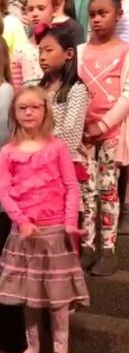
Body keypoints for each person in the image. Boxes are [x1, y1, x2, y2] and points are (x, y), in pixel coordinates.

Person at [0, 87, 89, 353]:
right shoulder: (8, 152)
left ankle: (62, 352)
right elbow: (5, 192)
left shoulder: (57, 147)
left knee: (59, 298)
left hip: (56, 231)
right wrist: (21, 220)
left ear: (45, 111)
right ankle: (33, 348)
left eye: (35, 107)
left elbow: (71, 186)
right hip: (26, 235)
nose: (29, 113)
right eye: (23, 108)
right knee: (31, 296)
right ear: (15, 113)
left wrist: (70, 221)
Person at [79, 0, 129, 273]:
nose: (97, 19)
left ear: (118, 15)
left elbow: (127, 95)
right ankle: (87, 244)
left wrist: (102, 125)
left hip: (111, 132)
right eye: (93, 14)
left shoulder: (126, 52)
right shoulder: (79, 52)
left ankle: (108, 249)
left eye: (103, 13)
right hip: (83, 135)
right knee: (86, 190)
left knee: (108, 190)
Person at [39, 25, 89, 163]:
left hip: (66, 163)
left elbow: (70, 135)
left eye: (49, 50)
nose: (42, 57)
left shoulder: (76, 89)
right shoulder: (37, 89)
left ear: (69, 54)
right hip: (38, 161)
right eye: (40, 52)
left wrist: (39, 147)